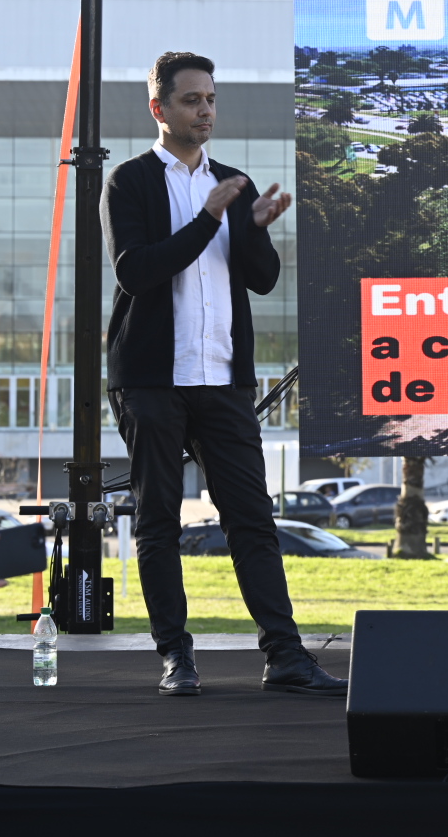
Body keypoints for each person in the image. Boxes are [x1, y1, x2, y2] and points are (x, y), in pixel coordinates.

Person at [101, 52, 346, 698]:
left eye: (210, 99)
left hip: (223, 378)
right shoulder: (129, 182)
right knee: (159, 519)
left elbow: (260, 280)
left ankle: (286, 656)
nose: (205, 111)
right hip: (152, 378)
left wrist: (255, 230)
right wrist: (210, 218)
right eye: (191, 101)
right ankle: (176, 657)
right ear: (160, 109)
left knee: (252, 518)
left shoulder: (233, 182)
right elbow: (136, 272)